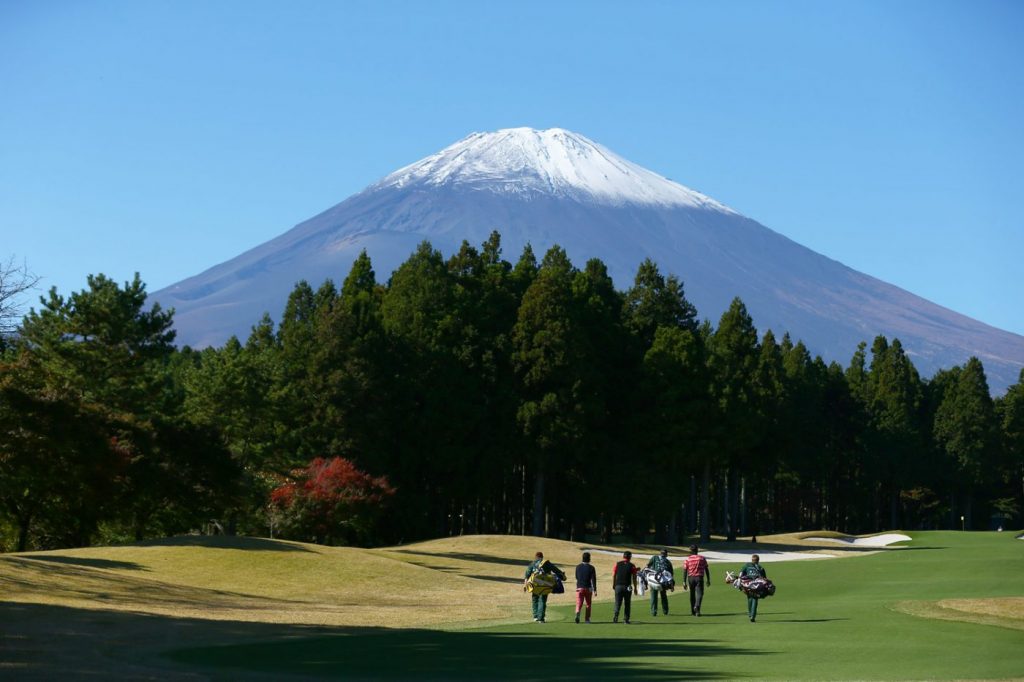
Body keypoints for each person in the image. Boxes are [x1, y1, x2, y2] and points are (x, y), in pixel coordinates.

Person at [523, 551, 565, 623]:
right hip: (545, 585)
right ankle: (541, 618)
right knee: (542, 600)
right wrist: (562, 576)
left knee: (535, 599)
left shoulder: (532, 564)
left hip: (534, 584)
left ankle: (535, 616)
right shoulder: (546, 563)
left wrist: (525, 585)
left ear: (536, 557)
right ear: (542, 557)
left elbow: (527, 575)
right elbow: (555, 570)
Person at [683, 544, 711, 616]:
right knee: (700, 594)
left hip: (690, 578)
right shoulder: (702, 558)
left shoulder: (688, 559)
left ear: (691, 551)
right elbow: (706, 569)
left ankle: (693, 611)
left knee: (692, 594)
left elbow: (685, 570)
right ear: (697, 550)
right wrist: (708, 579)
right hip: (699, 577)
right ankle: (697, 608)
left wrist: (684, 581)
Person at [738, 554, 767, 622]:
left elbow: (741, 573)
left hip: (748, 584)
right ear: (758, 561)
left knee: (750, 598)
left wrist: (739, 581)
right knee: (755, 599)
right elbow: (765, 578)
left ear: (752, 560)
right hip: (757, 585)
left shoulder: (747, 565)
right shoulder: (760, 568)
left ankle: (750, 613)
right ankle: (752, 615)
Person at [612, 550, 638, 623]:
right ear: (630, 557)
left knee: (617, 602)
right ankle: (626, 619)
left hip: (618, 586)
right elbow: (634, 578)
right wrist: (635, 588)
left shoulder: (618, 564)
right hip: (627, 587)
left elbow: (614, 575)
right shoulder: (632, 566)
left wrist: (614, 584)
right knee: (627, 603)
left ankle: (615, 617)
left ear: (623, 556)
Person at [646, 548, 674, 616]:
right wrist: (671, 585)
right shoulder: (668, 562)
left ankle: (654, 612)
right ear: (666, 554)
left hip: (654, 580)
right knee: (663, 596)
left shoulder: (654, 558)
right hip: (663, 582)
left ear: (660, 553)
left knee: (654, 596)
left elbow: (647, 566)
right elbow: (671, 574)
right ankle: (665, 611)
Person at [574, 551, 597, 623]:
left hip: (579, 587)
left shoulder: (578, 567)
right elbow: (593, 579)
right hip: (588, 588)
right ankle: (587, 619)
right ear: (589, 558)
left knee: (579, 603)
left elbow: (576, 577)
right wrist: (595, 590)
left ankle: (578, 612)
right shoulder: (591, 568)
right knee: (588, 604)